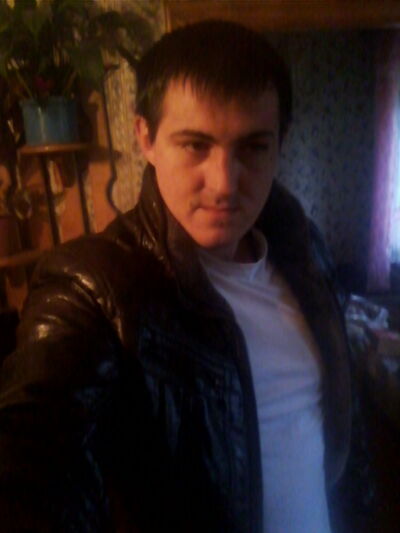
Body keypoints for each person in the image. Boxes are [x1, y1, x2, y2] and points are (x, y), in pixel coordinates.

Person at [0, 19, 371, 533]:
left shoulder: (305, 248)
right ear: (145, 138)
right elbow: (34, 453)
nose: (224, 184)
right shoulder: (91, 286)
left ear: (280, 142)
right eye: (195, 145)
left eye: (253, 147)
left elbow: (343, 431)